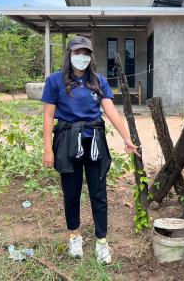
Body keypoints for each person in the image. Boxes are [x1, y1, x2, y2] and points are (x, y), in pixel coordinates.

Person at [41, 36, 137, 263]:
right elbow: (48, 115)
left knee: (98, 193)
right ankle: (74, 236)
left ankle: (102, 242)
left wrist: (127, 138)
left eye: (85, 53)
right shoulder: (55, 81)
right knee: (71, 193)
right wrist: (47, 149)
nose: (81, 57)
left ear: (90, 56)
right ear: (69, 54)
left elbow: (111, 111)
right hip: (67, 142)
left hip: (94, 141)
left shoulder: (98, 81)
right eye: (77, 52)